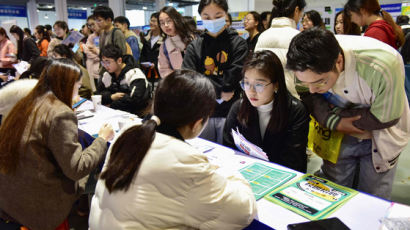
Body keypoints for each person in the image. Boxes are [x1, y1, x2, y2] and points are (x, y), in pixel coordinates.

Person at [89, 69, 256, 230]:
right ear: (198, 123)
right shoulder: (185, 161)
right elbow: (242, 212)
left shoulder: (128, 134)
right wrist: (232, 173)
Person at [286, 28, 410, 199]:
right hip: (338, 128)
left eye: (320, 82)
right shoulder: (303, 65)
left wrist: (336, 118)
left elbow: (386, 116)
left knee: (373, 193)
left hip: (380, 131)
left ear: (338, 61)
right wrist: (333, 121)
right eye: (305, 82)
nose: (313, 90)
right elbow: (307, 95)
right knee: (333, 185)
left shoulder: (381, 66)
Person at [0, 59, 114, 230]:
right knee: (99, 166)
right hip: (39, 205)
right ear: (68, 85)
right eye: (78, 87)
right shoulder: (60, 114)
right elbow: (76, 168)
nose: (77, 94)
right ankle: (89, 214)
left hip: (11, 197)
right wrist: (102, 139)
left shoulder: (29, 101)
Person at [223, 50, 309, 172]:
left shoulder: (295, 111)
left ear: (276, 85)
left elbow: (294, 161)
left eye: (259, 85)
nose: (251, 91)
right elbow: (228, 148)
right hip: (244, 173)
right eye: (246, 83)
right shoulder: (238, 107)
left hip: (280, 177)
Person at [182, 0, 248, 144]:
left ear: (225, 15)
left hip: (231, 112)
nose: (212, 21)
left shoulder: (238, 44)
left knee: (230, 153)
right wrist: (222, 89)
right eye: (206, 17)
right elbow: (189, 78)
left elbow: (235, 73)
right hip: (202, 113)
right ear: (200, 17)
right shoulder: (195, 46)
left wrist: (221, 85)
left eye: (218, 15)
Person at [255, 0, 306, 98]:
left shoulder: (262, 36)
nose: (300, 17)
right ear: (296, 10)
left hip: (266, 96)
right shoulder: (299, 37)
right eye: (301, 13)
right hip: (292, 99)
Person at [97, 44, 150, 116]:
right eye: (103, 62)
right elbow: (98, 95)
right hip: (114, 113)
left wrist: (110, 105)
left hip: (137, 115)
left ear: (119, 60)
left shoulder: (135, 74)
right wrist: (111, 97)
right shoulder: (106, 75)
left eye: (108, 62)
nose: (105, 65)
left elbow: (135, 100)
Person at [157, 6, 194, 78]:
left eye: (169, 21)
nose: (166, 25)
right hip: (178, 85)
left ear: (176, 20)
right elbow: (164, 70)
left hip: (198, 83)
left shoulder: (192, 38)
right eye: (162, 23)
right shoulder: (164, 47)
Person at [140, 12, 164, 83]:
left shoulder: (165, 39)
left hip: (160, 73)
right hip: (147, 73)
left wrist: (155, 64)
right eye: (150, 20)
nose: (151, 23)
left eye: (154, 21)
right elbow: (143, 54)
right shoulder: (146, 38)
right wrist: (143, 63)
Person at [83, 15, 101, 90]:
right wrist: (97, 54)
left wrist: (97, 51)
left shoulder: (105, 35)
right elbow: (86, 51)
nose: (91, 27)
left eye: (93, 24)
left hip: (101, 69)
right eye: (89, 25)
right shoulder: (90, 37)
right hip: (91, 68)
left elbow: (106, 54)